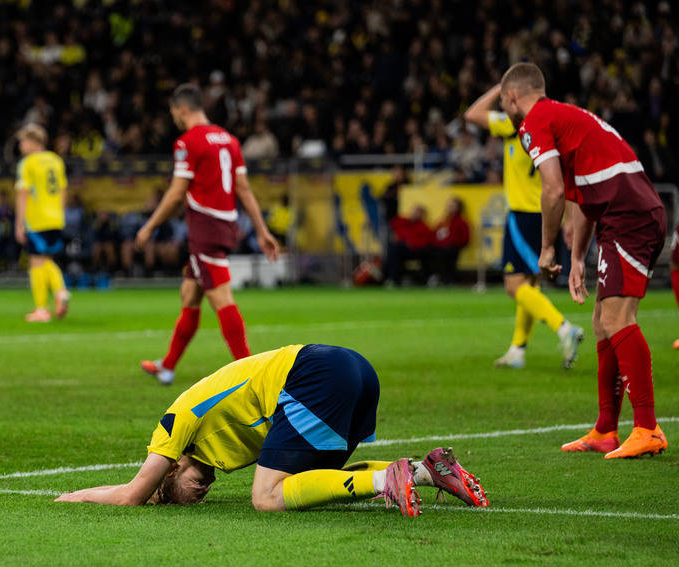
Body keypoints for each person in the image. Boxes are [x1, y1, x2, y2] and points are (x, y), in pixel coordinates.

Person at [56, 344, 489, 515]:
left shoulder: (173, 424)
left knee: (265, 498)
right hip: (353, 368)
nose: (196, 492)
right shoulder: (208, 445)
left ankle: (385, 480)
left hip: (313, 373)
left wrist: (82, 495)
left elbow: (133, 494)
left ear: (172, 466)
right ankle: (426, 471)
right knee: (311, 484)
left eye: (176, 487)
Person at [503, 62, 668, 458]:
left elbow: (554, 191)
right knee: (601, 323)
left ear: (511, 97)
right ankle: (605, 430)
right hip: (625, 213)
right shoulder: (564, 116)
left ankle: (647, 427)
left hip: (627, 216)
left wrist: (547, 250)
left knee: (617, 319)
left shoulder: (534, 122)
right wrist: (577, 258)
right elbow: (582, 197)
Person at [137, 83, 280, 385]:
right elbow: (243, 189)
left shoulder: (187, 142)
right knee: (190, 293)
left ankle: (251, 373)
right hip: (225, 223)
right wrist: (262, 230)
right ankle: (168, 365)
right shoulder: (228, 140)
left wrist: (149, 226)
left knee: (222, 299)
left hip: (205, 227)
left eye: (174, 111)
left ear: (183, 109)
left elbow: (177, 193)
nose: (174, 117)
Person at [464, 84, 584, 369]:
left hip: (521, 213)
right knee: (530, 283)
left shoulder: (512, 124)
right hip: (545, 211)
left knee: (513, 285)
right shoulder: (550, 127)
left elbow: (472, 114)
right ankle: (517, 349)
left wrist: (498, 88)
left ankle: (565, 329)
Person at [14, 123, 70, 323]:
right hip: (56, 217)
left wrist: (19, 223)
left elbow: (23, 193)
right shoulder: (56, 160)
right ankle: (60, 293)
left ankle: (42, 308)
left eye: (23, 141)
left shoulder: (28, 163)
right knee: (46, 259)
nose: (20, 145)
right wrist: (60, 214)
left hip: (36, 218)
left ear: (33, 142)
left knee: (36, 261)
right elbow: (63, 190)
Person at [383, 205, 433, 285]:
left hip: (415, 250)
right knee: (393, 249)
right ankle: (392, 277)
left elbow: (425, 242)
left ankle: (392, 278)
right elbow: (393, 226)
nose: (415, 214)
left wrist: (410, 243)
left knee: (394, 249)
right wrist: (394, 234)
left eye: (418, 212)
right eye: (414, 211)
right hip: (401, 248)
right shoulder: (403, 221)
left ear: (422, 215)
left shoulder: (424, 227)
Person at [429, 197, 471, 285]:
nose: (450, 208)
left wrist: (452, 243)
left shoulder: (461, 222)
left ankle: (447, 279)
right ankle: (435, 277)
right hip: (439, 247)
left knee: (447, 253)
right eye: (449, 205)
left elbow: (465, 238)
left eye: (452, 206)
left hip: (453, 247)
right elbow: (434, 234)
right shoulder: (442, 220)